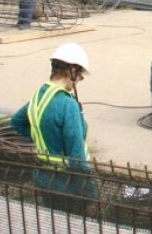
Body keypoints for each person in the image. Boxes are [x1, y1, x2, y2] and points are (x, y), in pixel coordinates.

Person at [10, 43, 95, 198]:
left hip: (43, 177)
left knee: (51, 219)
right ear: (73, 71)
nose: (78, 81)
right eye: (80, 76)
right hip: (67, 184)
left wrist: (43, 136)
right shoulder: (68, 104)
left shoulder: (39, 95)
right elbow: (77, 157)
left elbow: (16, 122)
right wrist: (90, 194)